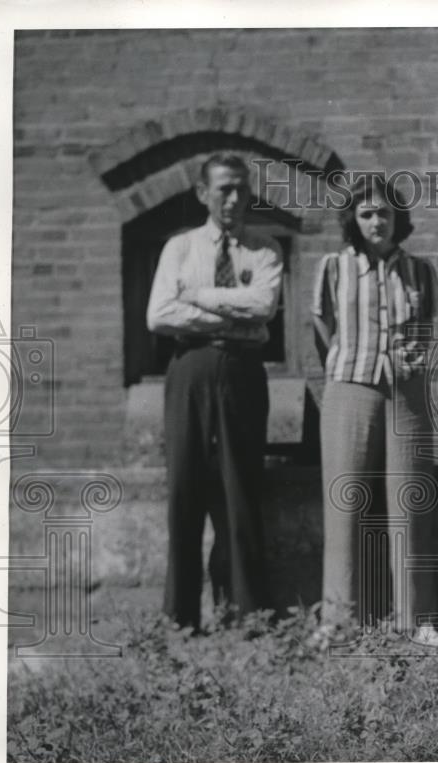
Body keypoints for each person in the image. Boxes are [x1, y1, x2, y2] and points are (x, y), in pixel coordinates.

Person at [146, 152, 282, 631]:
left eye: (242, 189)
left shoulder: (264, 249)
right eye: (224, 188)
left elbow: (264, 305)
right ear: (203, 194)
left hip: (243, 373)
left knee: (240, 491)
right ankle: (179, 620)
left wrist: (200, 297)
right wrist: (229, 316)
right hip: (190, 370)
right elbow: (159, 314)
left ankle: (248, 615)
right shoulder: (180, 249)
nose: (234, 198)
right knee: (184, 490)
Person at [312, 174, 438, 646]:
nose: (376, 222)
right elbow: (321, 329)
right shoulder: (332, 268)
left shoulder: (421, 271)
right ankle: (338, 620)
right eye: (366, 214)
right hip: (350, 387)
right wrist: (348, 366)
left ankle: (415, 619)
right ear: (353, 220)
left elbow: (426, 326)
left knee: (409, 504)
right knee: (343, 504)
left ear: (397, 218)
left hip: (406, 392)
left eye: (384, 212)